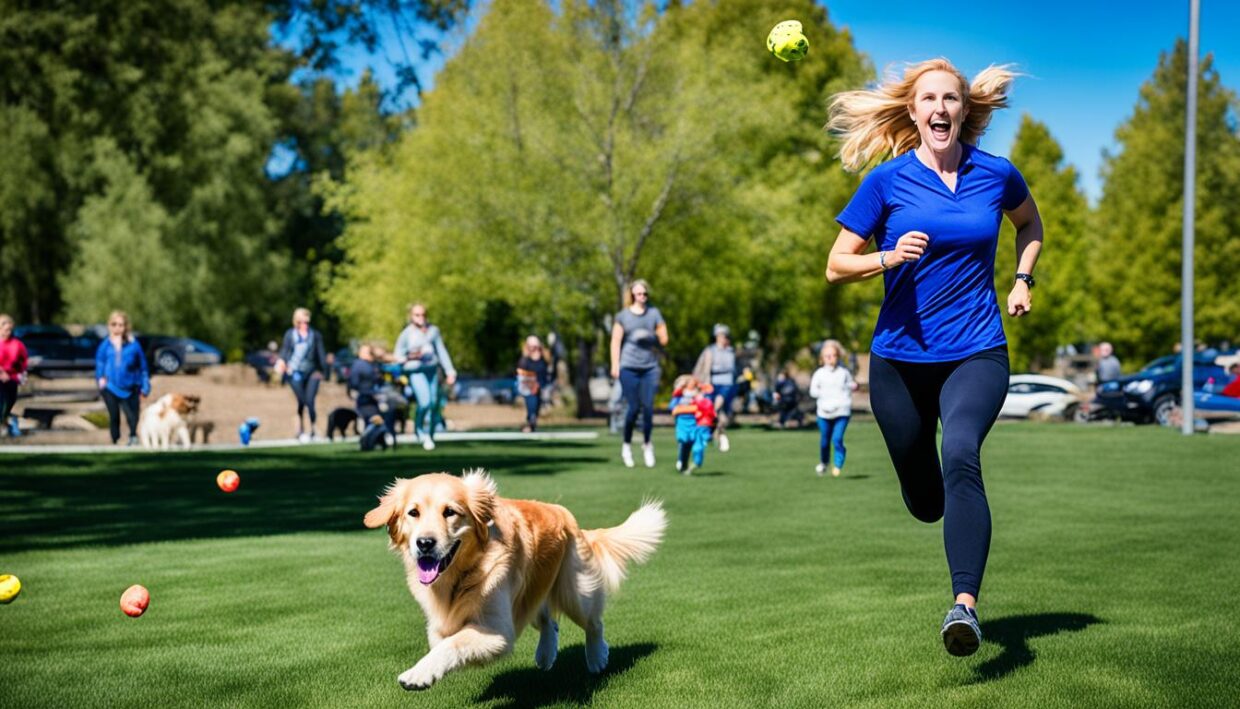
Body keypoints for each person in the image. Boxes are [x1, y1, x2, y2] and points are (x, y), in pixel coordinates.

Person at [825, 59, 1043, 657]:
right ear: (915, 111)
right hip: (898, 360)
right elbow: (835, 263)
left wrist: (1023, 279)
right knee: (926, 498)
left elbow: (1030, 224)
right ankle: (935, 500)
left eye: (951, 99)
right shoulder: (887, 182)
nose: (941, 108)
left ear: (964, 110)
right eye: (929, 99)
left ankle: (964, 608)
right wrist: (885, 258)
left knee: (962, 453)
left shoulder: (996, 175)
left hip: (978, 349)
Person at [609, 279, 668, 468]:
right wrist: (615, 364)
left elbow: (664, 338)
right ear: (632, 295)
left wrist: (652, 337)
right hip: (629, 366)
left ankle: (647, 445)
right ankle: (626, 445)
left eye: (645, 294)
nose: (642, 297)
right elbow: (616, 341)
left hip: (650, 367)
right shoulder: (623, 316)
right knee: (633, 408)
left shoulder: (654, 313)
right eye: (638, 294)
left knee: (648, 408)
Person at [394, 303, 457, 450]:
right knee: (425, 402)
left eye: (423, 314)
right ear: (411, 316)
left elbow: (441, 351)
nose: (421, 318)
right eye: (417, 315)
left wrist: (450, 371)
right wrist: (412, 356)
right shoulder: (407, 333)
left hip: (432, 370)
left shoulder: (433, 331)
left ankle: (430, 435)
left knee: (435, 403)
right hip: (416, 371)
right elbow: (398, 355)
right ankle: (419, 430)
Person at [95, 310, 151, 446]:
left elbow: (143, 367)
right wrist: (100, 379)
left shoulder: (134, 345)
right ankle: (115, 440)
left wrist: (145, 386)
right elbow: (100, 362)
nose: (117, 328)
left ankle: (133, 436)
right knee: (114, 415)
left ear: (126, 327)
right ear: (109, 326)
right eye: (114, 324)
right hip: (110, 386)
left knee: (132, 416)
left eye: (121, 325)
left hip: (131, 386)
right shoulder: (105, 345)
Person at [274, 307, 329, 443]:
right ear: (296, 322)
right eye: (302, 322)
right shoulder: (290, 334)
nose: (305, 324)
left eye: (307, 322)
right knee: (302, 401)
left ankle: (313, 430)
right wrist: (282, 363)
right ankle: (301, 430)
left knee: (310, 401)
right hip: (294, 372)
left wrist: (324, 373)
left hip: (312, 372)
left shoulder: (315, 335)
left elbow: (321, 354)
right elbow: (285, 351)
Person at [809, 340, 858, 478]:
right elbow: (813, 391)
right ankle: (824, 462)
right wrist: (821, 393)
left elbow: (851, 385)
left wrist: (853, 386)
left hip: (841, 412)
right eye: (827, 356)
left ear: (838, 356)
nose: (831, 358)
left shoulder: (844, 373)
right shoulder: (819, 374)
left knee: (836, 439)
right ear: (822, 358)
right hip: (824, 413)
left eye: (834, 355)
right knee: (824, 441)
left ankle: (838, 463)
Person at [695, 324, 738, 452]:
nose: (724, 338)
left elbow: (735, 369)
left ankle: (713, 432)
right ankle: (718, 433)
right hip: (712, 383)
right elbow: (701, 368)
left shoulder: (731, 351)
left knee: (716, 408)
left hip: (727, 383)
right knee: (713, 412)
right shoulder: (710, 350)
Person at [349, 343, 396, 449]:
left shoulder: (373, 365)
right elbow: (354, 383)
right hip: (366, 398)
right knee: (372, 420)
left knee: (378, 420)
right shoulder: (359, 365)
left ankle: (377, 441)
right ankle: (367, 442)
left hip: (375, 397)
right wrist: (370, 393)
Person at [669, 376, 716, 475]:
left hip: (695, 422)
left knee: (691, 442)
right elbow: (672, 407)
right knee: (683, 441)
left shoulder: (699, 395)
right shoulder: (679, 396)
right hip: (682, 422)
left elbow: (707, 402)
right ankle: (682, 460)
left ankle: (686, 464)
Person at [516, 335, 554, 433]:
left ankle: (531, 423)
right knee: (532, 404)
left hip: (542, 387)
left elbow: (549, 373)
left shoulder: (544, 358)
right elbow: (521, 376)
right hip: (529, 387)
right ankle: (530, 422)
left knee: (537, 407)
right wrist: (532, 385)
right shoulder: (524, 360)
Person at [0, 314, 28, 437]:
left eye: (11, 330)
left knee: (9, 404)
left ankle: (6, 423)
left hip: (11, 380)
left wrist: (22, 374)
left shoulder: (17, 344)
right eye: (6, 329)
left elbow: (23, 361)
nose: (9, 332)